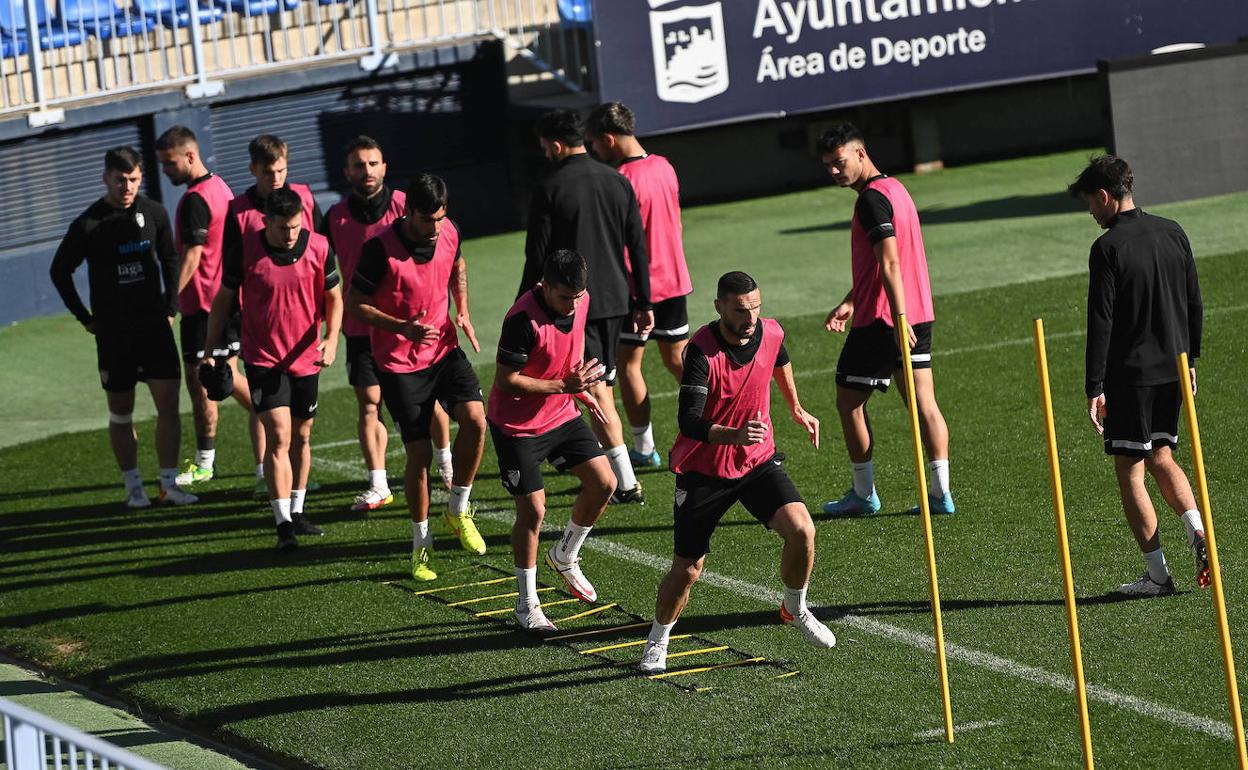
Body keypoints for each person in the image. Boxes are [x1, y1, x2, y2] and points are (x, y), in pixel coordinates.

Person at [639, 272, 834, 673]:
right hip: (704, 471)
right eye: (741, 311)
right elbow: (689, 420)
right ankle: (658, 641)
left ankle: (794, 606)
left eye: (755, 309)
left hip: (756, 462)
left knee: (803, 531)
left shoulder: (771, 331)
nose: (750, 319)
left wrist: (795, 407)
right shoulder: (701, 352)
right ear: (719, 307)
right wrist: (735, 434)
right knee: (688, 569)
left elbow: (779, 358)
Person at [1070, 155, 1208, 597]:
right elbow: (1194, 303)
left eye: (1091, 202)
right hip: (1173, 368)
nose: (1091, 211)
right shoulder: (1173, 231)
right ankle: (1195, 527)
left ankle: (1158, 576)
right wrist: (1191, 360)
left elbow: (1102, 322)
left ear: (1105, 196)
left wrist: (1094, 386)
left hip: (1131, 376)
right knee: (1162, 455)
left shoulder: (1107, 248)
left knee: (1130, 470)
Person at [346, 173, 488, 581]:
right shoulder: (379, 250)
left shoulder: (449, 232)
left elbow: (457, 264)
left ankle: (458, 510)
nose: (435, 229)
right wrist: (400, 327)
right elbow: (355, 304)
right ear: (407, 212)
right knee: (420, 456)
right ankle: (420, 546)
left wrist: (462, 309)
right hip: (399, 362)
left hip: (443, 348)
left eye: (441, 219)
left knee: (477, 422)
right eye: (427, 221)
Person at [817, 122, 954, 517]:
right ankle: (941, 494)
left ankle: (863, 494)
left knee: (848, 401)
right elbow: (890, 263)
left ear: (860, 153)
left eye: (839, 162)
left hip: (886, 321)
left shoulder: (871, 200)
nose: (833, 172)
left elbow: (890, 261)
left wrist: (896, 317)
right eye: (827, 165)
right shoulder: (897, 189)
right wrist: (851, 299)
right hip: (917, 313)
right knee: (923, 403)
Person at [49, 146, 197, 508]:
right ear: (106, 179)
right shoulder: (89, 223)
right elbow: (59, 270)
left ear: (140, 177)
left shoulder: (155, 213)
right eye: (120, 180)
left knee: (168, 406)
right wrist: (85, 318)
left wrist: (170, 307)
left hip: (154, 329)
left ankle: (168, 484)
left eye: (132, 179)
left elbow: (170, 258)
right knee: (121, 411)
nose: (126, 187)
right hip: (115, 335)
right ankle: (133, 488)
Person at [519, 108, 653, 504]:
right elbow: (637, 247)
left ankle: (625, 484)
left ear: (557, 144)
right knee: (601, 386)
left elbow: (536, 256)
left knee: (597, 394)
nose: (545, 154)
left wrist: (523, 305)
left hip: (575, 307)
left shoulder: (549, 187)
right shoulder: (617, 181)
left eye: (546, 147)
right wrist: (643, 300)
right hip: (616, 302)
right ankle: (612, 474)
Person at [202, 189, 342, 551]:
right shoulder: (245, 251)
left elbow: (334, 297)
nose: (290, 234)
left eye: (295, 227)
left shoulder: (319, 247)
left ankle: (297, 511)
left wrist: (332, 337)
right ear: (266, 222)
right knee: (279, 435)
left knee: (303, 435)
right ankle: (282, 525)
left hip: (307, 356)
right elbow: (223, 301)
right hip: (264, 358)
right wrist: (209, 350)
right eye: (282, 228)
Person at [490, 249, 617, 633]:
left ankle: (565, 555)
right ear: (544, 286)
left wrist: (581, 392)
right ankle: (526, 604)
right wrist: (565, 385)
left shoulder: (581, 299)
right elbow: (506, 380)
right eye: (565, 297)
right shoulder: (521, 319)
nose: (573, 304)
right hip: (516, 426)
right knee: (533, 511)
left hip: (560, 411)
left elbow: (572, 351)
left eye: (578, 296)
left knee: (605, 482)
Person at [586, 101, 693, 469]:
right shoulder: (665, 166)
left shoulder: (619, 181)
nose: (594, 152)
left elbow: (619, 242)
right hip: (675, 280)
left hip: (636, 288)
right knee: (681, 361)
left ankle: (644, 449)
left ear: (609, 139)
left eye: (595, 144)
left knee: (630, 365)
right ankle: (722, 424)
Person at [155, 125, 246, 491]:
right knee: (223, 376)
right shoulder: (220, 187)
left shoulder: (195, 199)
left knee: (205, 384)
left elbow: (191, 257)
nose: (165, 170)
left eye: (169, 163)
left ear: (190, 156)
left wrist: (171, 301)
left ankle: (207, 462)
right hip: (222, 302)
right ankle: (271, 428)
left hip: (203, 307)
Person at [325, 136, 408, 513]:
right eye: (359, 165)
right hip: (360, 330)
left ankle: (445, 466)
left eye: (373, 163)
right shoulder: (335, 217)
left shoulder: (406, 206)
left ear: (384, 167)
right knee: (369, 404)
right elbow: (322, 275)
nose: (367, 171)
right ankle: (378, 483)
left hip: (405, 327)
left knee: (423, 405)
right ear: (347, 173)